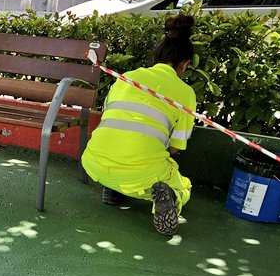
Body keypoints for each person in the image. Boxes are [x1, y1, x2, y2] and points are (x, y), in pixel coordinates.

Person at [81, 15, 197, 236]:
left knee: (124, 155)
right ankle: (170, 196)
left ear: (155, 57)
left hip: (93, 162)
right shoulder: (185, 94)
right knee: (182, 184)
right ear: (185, 64)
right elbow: (176, 147)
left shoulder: (126, 77)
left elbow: (109, 118)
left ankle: (113, 189)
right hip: (142, 173)